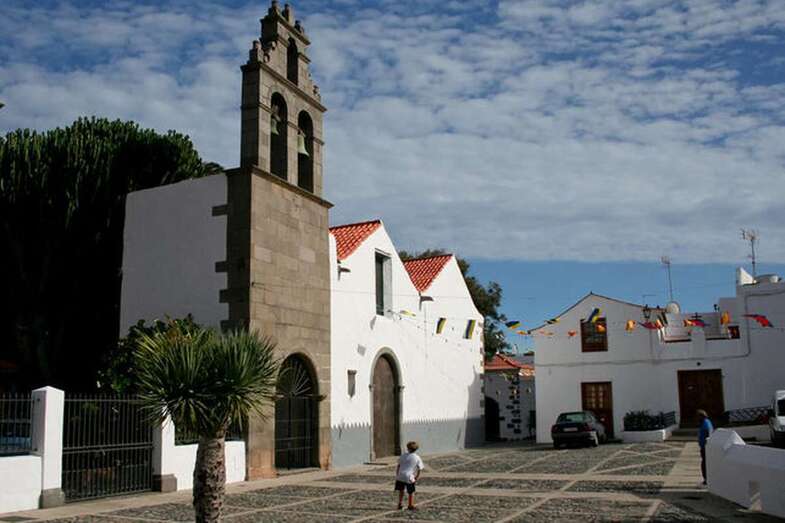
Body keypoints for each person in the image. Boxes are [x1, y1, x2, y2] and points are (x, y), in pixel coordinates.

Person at [395, 441, 425, 510]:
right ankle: (410, 504)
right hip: (409, 476)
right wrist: (417, 477)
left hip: (400, 475)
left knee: (401, 490)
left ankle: (400, 504)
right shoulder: (417, 457)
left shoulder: (403, 455)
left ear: (407, 448)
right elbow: (419, 468)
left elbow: (399, 465)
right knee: (411, 491)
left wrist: (397, 474)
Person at [697, 409, 714, 485]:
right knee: (705, 463)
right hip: (704, 446)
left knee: (705, 463)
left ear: (702, 416)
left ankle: (706, 479)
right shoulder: (706, 422)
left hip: (705, 447)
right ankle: (706, 479)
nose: (697, 419)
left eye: (698, 416)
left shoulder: (705, 424)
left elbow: (708, 434)